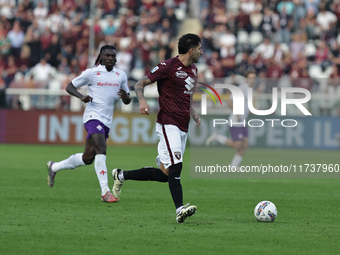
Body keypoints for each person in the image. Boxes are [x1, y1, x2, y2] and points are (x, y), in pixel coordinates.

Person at [111, 34, 202, 223]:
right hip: (168, 123)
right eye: (200, 48)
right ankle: (180, 209)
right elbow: (140, 83)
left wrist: (193, 113)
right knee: (177, 165)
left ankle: (121, 175)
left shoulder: (194, 70)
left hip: (183, 126)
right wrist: (142, 100)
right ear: (191, 50)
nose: (202, 52)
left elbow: (187, 96)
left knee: (164, 175)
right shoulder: (168, 66)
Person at [46, 45, 132, 203]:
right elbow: (69, 86)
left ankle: (54, 167)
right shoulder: (92, 73)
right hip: (92, 116)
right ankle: (105, 191)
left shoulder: (121, 75)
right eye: (108, 56)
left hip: (107, 120)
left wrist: (127, 97)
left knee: (88, 158)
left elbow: (127, 100)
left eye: (113, 56)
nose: (111, 59)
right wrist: (81, 96)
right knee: (101, 147)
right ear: (101, 56)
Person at [205, 70, 256, 169]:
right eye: (250, 78)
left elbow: (246, 107)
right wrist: (237, 113)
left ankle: (234, 166)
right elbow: (230, 100)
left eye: (253, 78)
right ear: (246, 79)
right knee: (237, 145)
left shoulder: (250, 91)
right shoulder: (241, 88)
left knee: (245, 144)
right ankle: (217, 137)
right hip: (236, 121)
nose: (252, 80)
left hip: (242, 121)